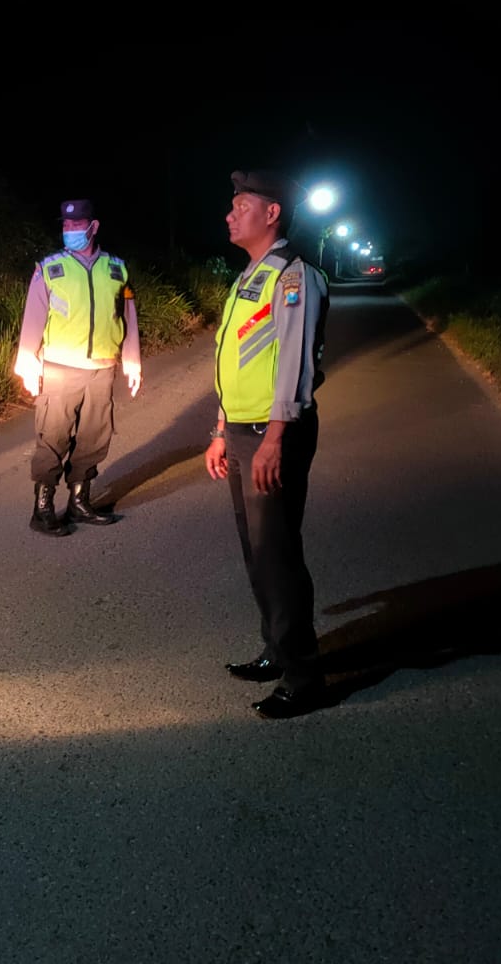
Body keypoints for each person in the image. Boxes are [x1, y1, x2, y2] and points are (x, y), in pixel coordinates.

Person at [204, 170, 331, 718]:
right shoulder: (248, 278)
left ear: (272, 213)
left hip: (271, 435)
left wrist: (275, 438)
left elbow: (296, 364)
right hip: (239, 431)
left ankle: (304, 678)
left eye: (241, 206)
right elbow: (234, 360)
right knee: (256, 551)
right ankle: (276, 650)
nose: (229, 215)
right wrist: (219, 430)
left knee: (277, 555)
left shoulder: (293, 277)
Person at [14, 198, 143, 536]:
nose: (69, 230)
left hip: (102, 369)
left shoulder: (117, 269)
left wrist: (132, 360)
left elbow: (128, 317)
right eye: (66, 225)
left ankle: (79, 501)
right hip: (60, 370)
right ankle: (42, 509)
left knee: (94, 438)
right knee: (52, 438)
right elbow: (32, 319)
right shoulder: (50, 268)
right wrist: (27, 363)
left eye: (76, 224)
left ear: (93, 226)